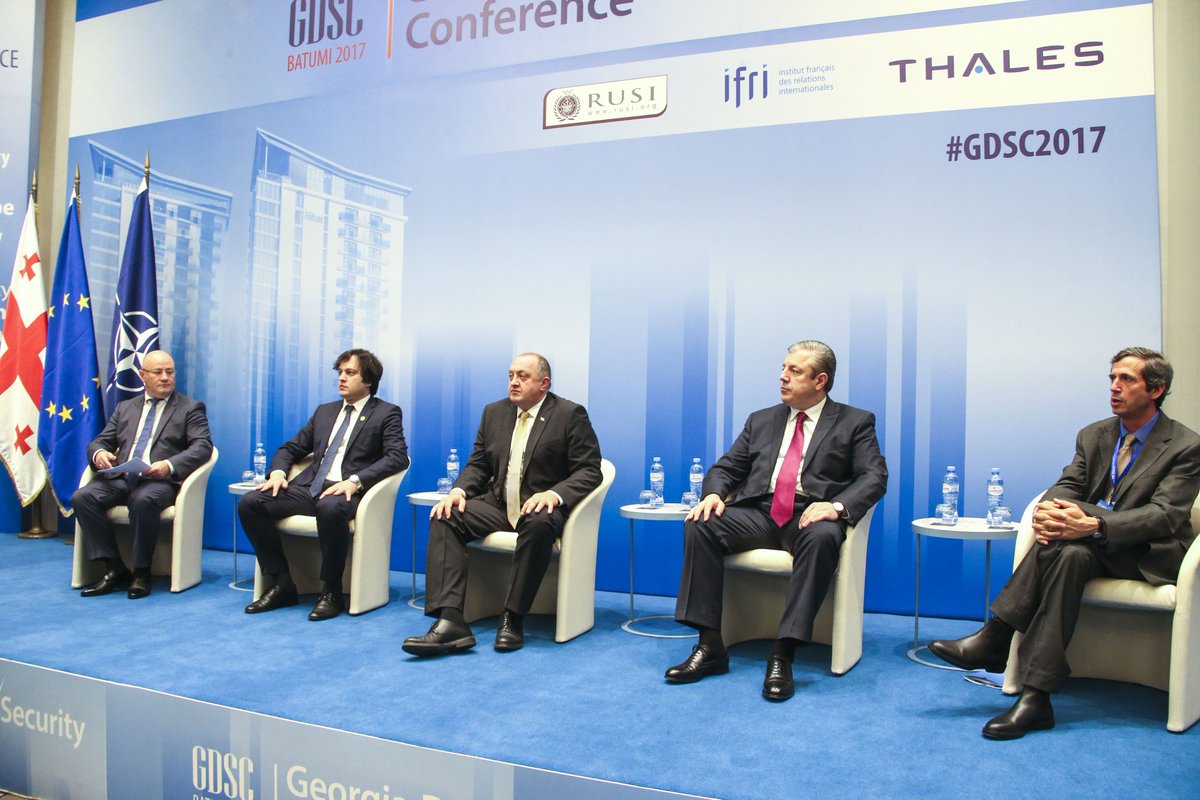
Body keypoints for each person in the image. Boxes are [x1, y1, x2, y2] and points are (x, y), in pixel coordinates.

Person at [929, 347, 1200, 739]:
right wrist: (1051, 513)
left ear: (1155, 390)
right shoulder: (1094, 434)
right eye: (1112, 378)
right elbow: (1066, 486)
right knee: (1069, 553)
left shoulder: (1185, 445)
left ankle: (997, 636)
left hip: (1145, 554)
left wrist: (1093, 524)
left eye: (1127, 379)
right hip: (1089, 548)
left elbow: (1164, 515)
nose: (1115, 387)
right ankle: (1036, 698)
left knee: (1073, 541)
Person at [666, 340, 888, 701]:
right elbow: (727, 467)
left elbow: (873, 476)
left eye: (794, 371)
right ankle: (710, 645)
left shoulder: (855, 422)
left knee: (823, 537)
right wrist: (713, 494)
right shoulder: (762, 419)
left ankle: (783, 654)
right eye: (783, 368)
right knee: (701, 523)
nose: (783, 377)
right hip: (759, 512)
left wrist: (836, 506)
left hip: (809, 515)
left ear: (820, 380)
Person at [403, 352, 602, 655]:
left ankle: (512, 617)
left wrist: (555, 494)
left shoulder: (569, 414)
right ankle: (450, 620)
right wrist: (459, 491)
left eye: (523, 376)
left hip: (541, 509)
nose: (513, 382)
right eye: (511, 375)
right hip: (498, 505)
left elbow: (589, 470)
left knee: (538, 523)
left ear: (544, 383)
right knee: (446, 515)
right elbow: (479, 464)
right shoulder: (494, 412)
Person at [239, 348, 408, 621]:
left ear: (368, 381)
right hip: (310, 487)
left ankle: (331, 591)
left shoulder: (386, 413)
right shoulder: (325, 412)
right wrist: (278, 473)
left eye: (350, 373)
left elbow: (397, 457)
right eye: (340, 372)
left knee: (330, 507)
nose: (342, 378)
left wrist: (355, 481)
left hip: (347, 492)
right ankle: (281, 583)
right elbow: (291, 448)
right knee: (251, 503)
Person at [73, 350, 213, 599]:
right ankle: (113, 567)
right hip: (122, 478)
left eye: (170, 372)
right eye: (158, 372)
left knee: (142, 500)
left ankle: (141, 571)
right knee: (83, 497)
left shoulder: (190, 408)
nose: (165, 377)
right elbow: (99, 442)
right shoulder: (125, 408)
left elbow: (202, 447)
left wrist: (168, 465)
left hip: (159, 481)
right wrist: (99, 454)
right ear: (142, 375)